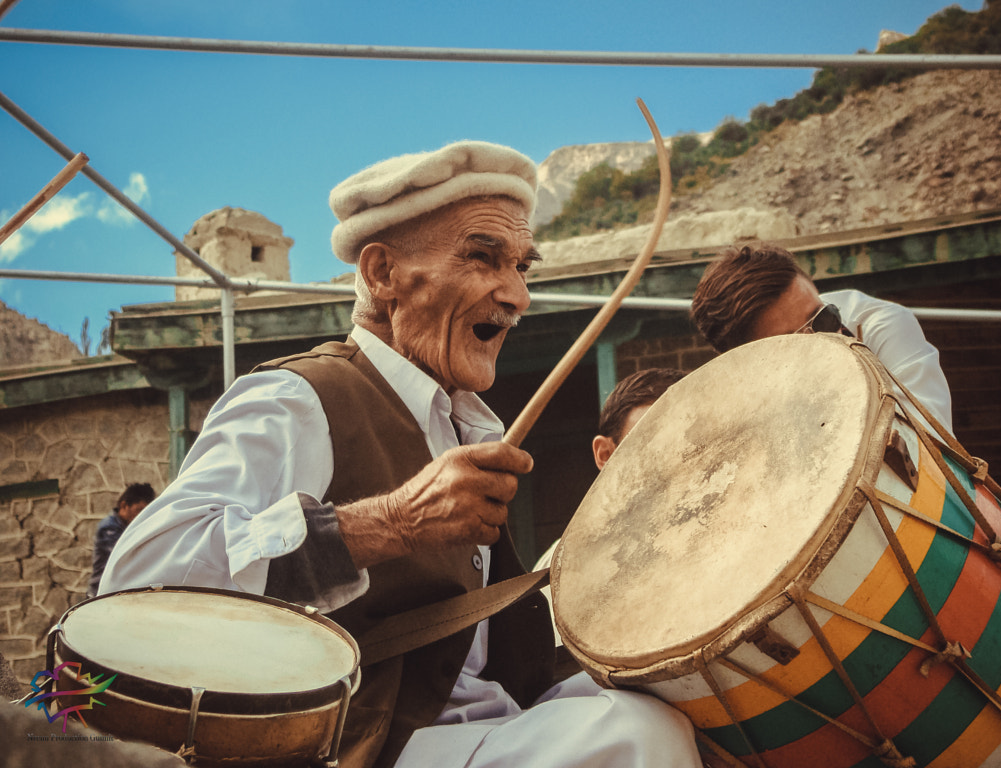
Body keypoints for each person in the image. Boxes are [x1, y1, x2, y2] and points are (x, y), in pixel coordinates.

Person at [101, 141, 702, 768]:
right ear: (383, 274)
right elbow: (138, 580)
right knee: (643, 735)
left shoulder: (463, 424)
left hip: (498, 721)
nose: (517, 295)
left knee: (680, 697)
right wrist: (390, 522)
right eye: (483, 258)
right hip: (375, 746)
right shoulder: (298, 398)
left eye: (523, 266)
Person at [690, 241, 954, 436]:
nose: (823, 343)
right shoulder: (733, 397)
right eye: (792, 344)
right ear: (745, 365)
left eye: (824, 318)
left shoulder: (879, 325)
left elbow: (931, 439)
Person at [535, 367, 686, 643]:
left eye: (689, 439)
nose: (672, 459)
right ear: (605, 454)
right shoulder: (564, 572)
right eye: (650, 443)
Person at [87, 482, 155, 598]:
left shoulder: (130, 528)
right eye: (139, 510)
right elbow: (128, 556)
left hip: (117, 594)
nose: (142, 516)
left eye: (146, 512)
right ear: (124, 506)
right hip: (100, 596)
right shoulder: (108, 528)